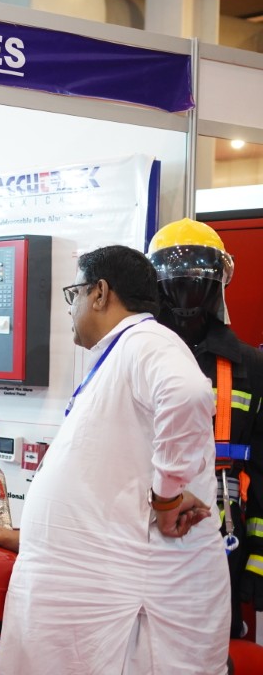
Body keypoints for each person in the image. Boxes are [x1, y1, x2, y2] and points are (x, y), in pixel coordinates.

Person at [0, 245, 228, 675]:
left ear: (100, 293)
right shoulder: (123, 352)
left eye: (74, 294)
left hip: (135, 606)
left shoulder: (147, 341)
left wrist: (167, 497)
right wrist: (35, 537)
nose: (71, 309)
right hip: (105, 595)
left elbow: (187, 394)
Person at [148, 218, 263, 640]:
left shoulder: (252, 366)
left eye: (197, 280)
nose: (186, 293)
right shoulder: (136, 356)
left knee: (213, 648)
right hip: (142, 535)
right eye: (176, 281)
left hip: (222, 539)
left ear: (218, 284)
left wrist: (256, 565)